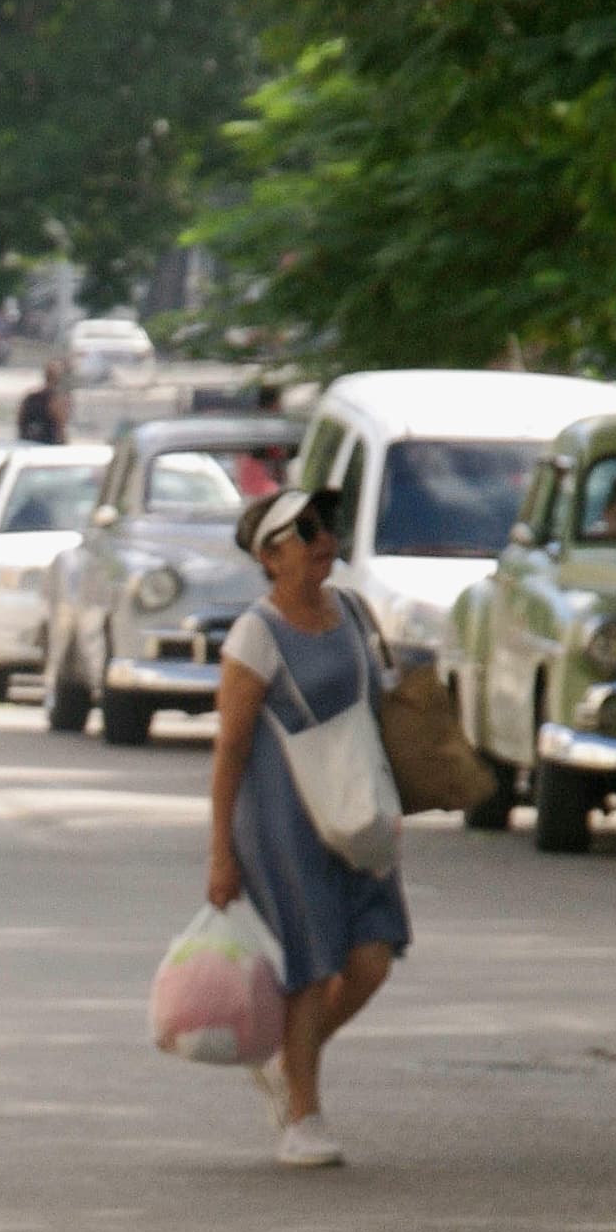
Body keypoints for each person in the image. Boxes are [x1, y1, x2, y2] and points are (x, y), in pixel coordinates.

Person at [208, 488, 409, 1168]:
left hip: (357, 814)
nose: (325, 539)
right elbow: (231, 748)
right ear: (270, 555)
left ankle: (289, 1063)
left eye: (327, 526)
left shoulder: (349, 610)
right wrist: (220, 855)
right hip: (284, 820)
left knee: (371, 959)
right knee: (309, 964)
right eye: (306, 531)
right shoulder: (256, 635)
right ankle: (303, 1116)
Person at [16, 358, 69, 445]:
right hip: (47, 447)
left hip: (26, 443)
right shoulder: (56, 400)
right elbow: (61, 427)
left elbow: (20, 421)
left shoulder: (29, 397)